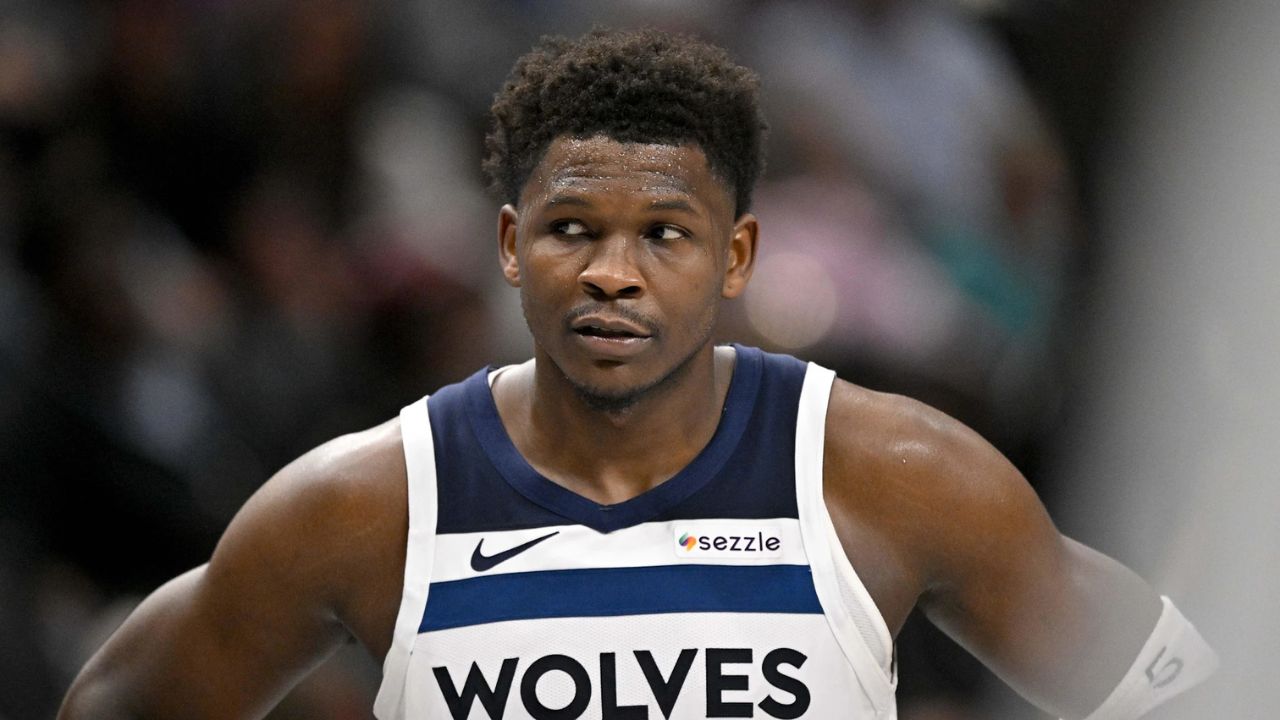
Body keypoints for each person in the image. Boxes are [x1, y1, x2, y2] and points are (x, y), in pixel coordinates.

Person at [59, 29, 1215, 720]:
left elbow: (1176, 692)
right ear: (511, 245)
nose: (613, 274)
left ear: (735, 257)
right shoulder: (369, 505)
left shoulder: (888, 472)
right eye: (572, 231)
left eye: (663, 234)